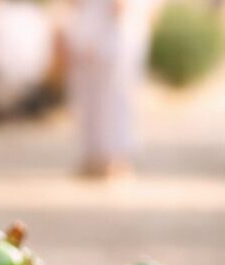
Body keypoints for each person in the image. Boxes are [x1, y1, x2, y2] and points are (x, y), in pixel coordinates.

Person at [67, 0, 157, 177]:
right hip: (92, 23)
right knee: (90, 93)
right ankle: (95, 153)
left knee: (116, 93)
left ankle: (116, 155)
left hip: (118, 25)